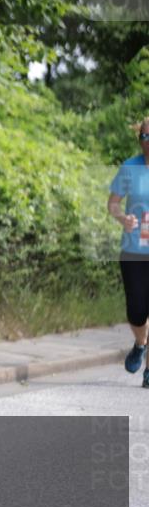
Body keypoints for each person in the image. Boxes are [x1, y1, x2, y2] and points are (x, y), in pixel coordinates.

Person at [107, 115, 149, 388]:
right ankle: (139, 342)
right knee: (136, 309)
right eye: (144, 137)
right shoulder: (129, 167)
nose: (147, 142)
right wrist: (123, 219)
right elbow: (112, 204)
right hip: (135, 249)